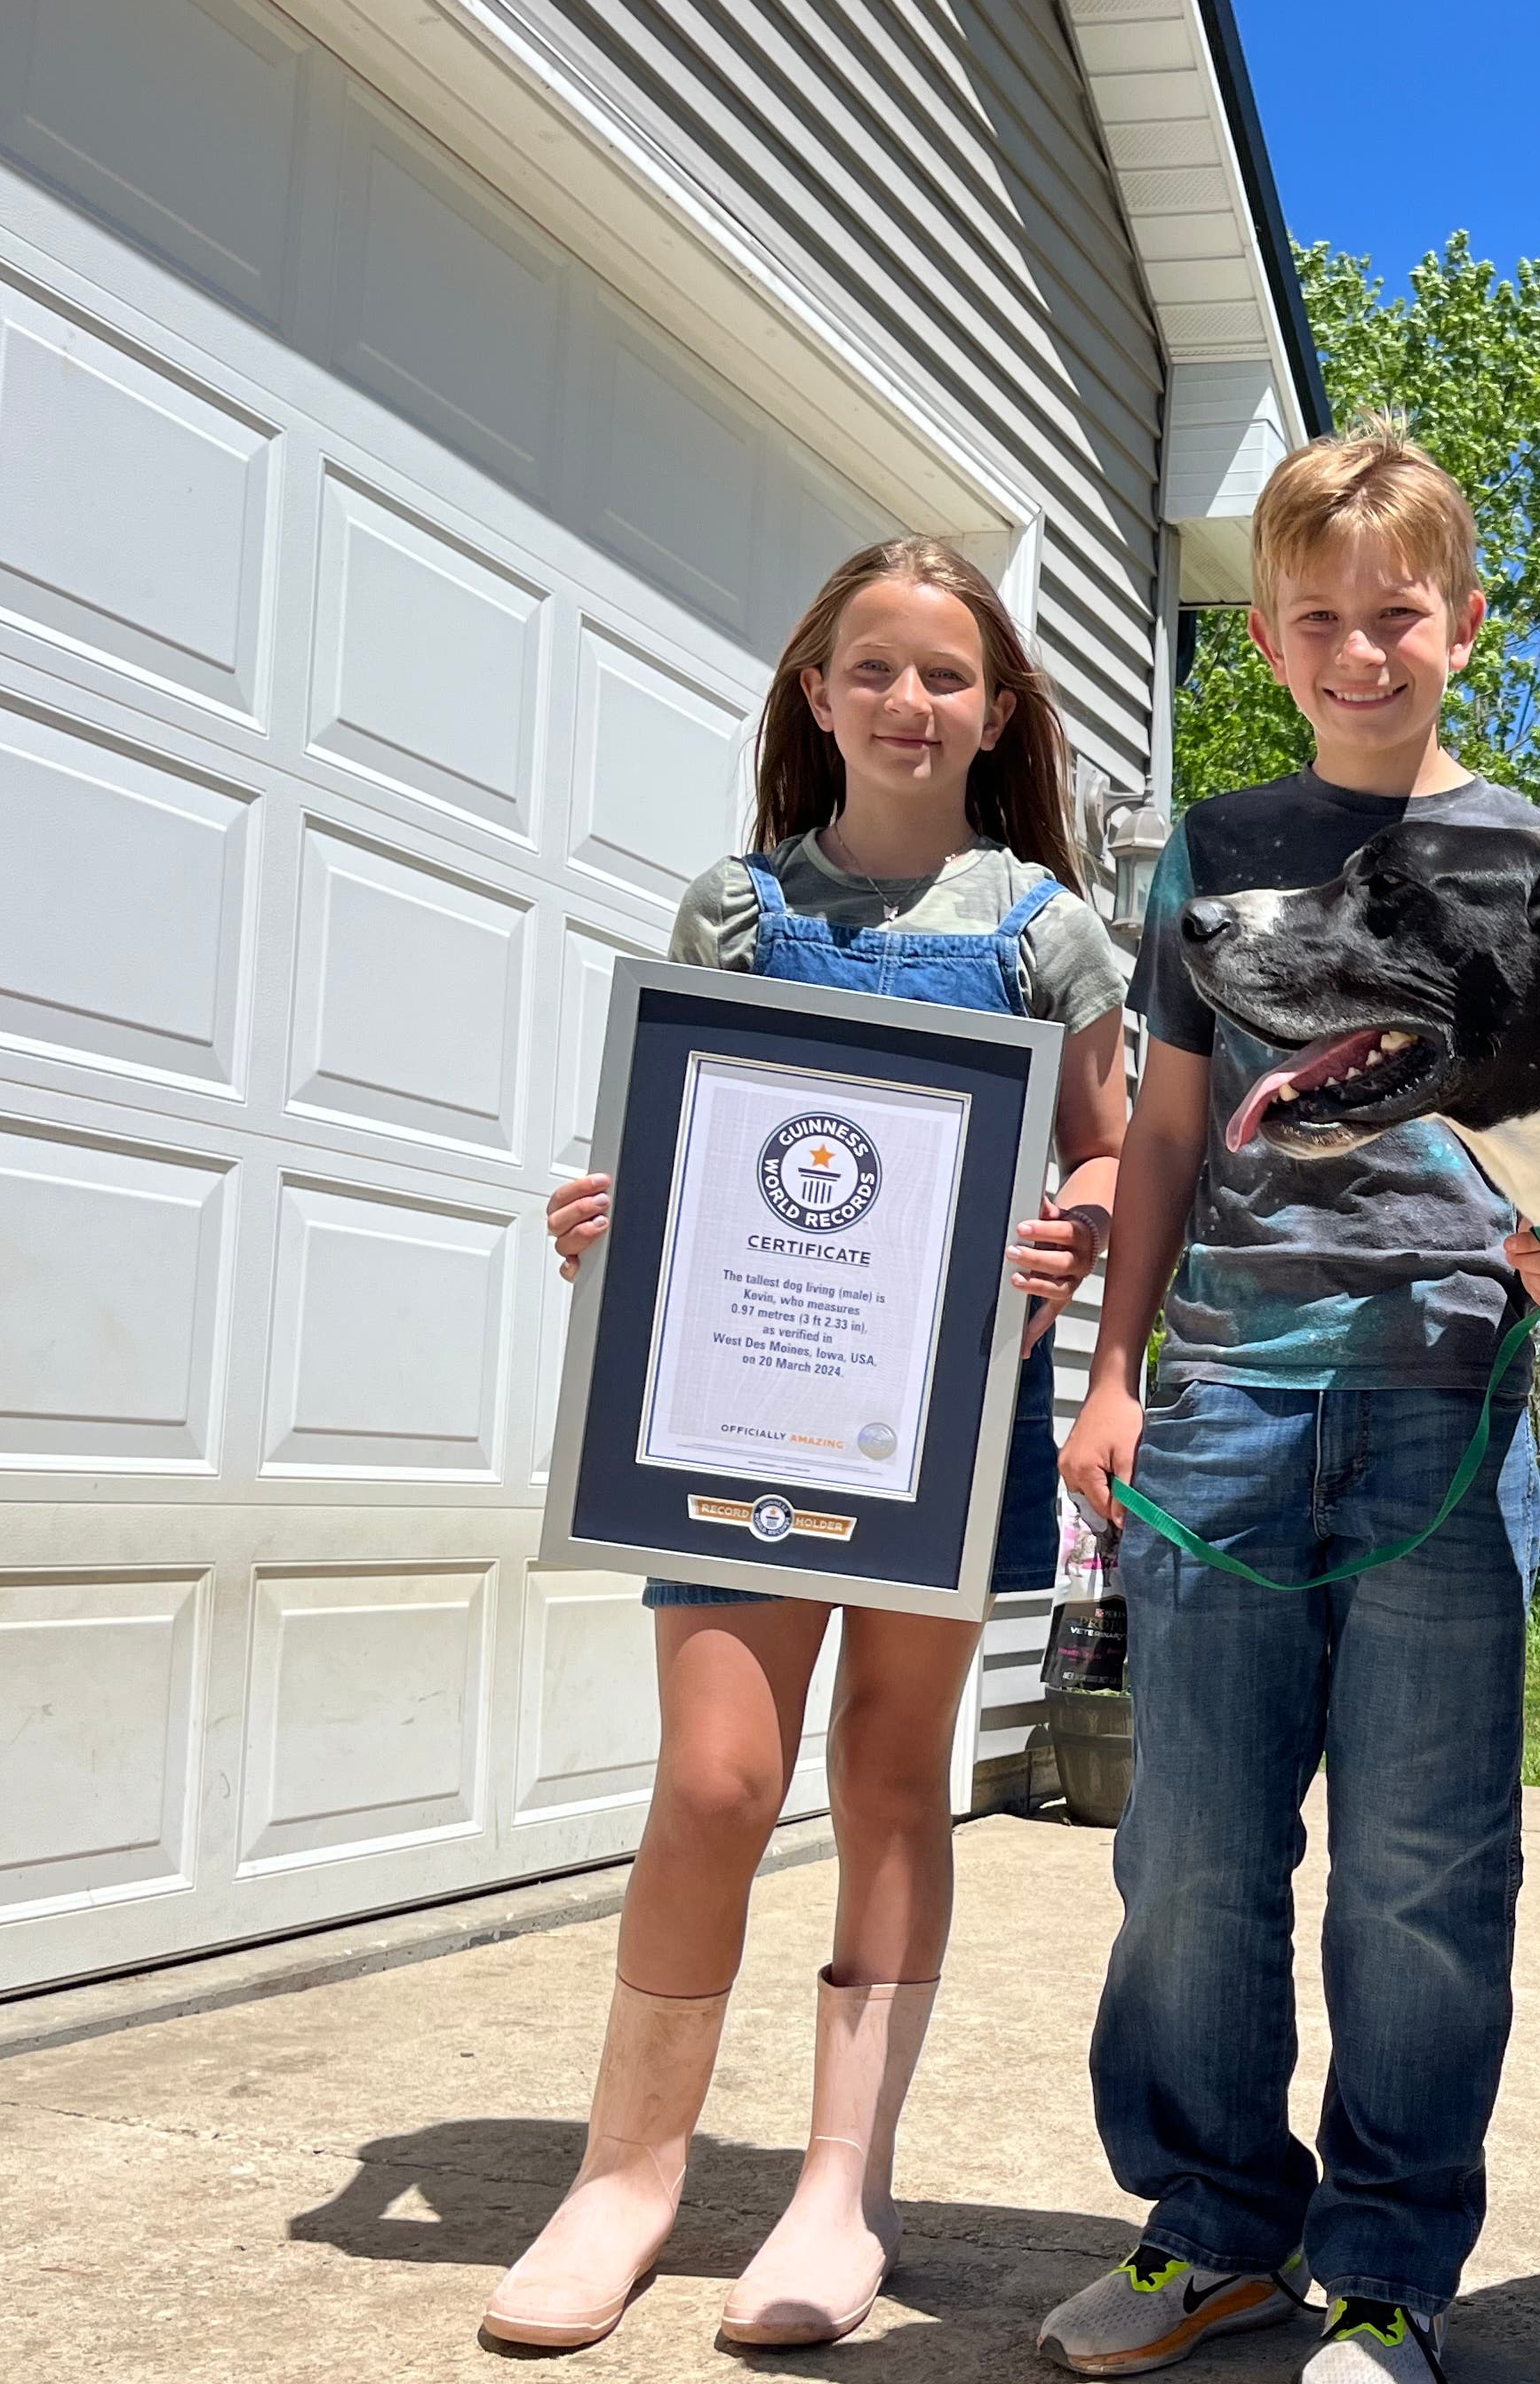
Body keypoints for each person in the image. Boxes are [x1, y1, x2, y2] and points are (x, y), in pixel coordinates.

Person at [484, 540, 1130, 2353]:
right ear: (816, 694)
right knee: (712, 1781)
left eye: (947, 675)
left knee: (889, 1771)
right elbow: (677, 1130)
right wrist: (615, 1217)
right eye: (875, 669)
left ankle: (843, 2187)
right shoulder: (738, 911)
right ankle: (626, 2177)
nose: (910, 702)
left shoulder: (1041, 929)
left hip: (939, 1416)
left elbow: (1104, 1147)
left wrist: (1066, 1230)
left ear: (995, 712)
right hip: (729, 1409)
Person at [1042, 420, 1540, 2384]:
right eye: (1324, 621)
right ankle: (1211, 2229)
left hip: (1446, 1399)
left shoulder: (1529, 859)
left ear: (1464, 622)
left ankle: (1386, 2267)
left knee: (1425, 1869)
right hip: (1228, 1407)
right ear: (1270, 638)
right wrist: (1115, 1374)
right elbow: (1165, 1140)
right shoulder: (1218, 854)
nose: (1365, 652)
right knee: (1189, 1843)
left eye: (1399, 616)